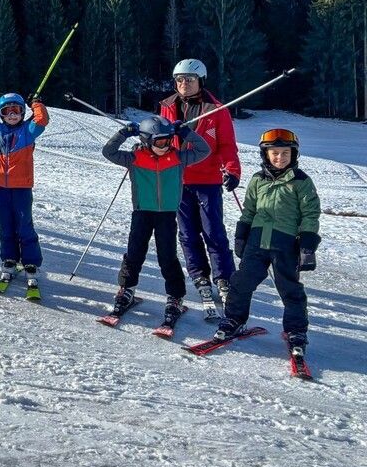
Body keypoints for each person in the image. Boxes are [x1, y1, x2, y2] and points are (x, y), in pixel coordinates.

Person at [216, 129, 321, 359]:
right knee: (241, 282)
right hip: (257, 241)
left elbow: (310, 214)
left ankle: (296, 331)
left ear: (293, 155)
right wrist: (241, 236)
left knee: (290, 289)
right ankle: (234, 319)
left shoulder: (301, 181)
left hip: (286, 244)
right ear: (266, 154)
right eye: (275, 153)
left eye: (285, 153)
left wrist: (307, 245)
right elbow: (249, 211)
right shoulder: (257, 179)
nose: (280, 157)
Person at [102, 116, 212, 324]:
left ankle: (175, 297)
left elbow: (203, 150)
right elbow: (109, 152)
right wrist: (123, 133)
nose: (165, 146)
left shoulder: (178, 158)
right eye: (159, 142)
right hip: (142, 213)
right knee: (134, 254)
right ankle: (127, 289)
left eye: (168, 140)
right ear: (146, 140)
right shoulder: (134, 158)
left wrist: (185, 133)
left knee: (167, 257)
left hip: (167, 215)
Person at [159, 58, 242, 311]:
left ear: (201, 81)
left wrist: (232, 170)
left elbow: (227, 145)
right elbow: (159, 139)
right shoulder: (167, 106)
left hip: (208, 180)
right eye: (179, 80)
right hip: (178, 179)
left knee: (213, 231)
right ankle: (199, 274)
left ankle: (224, 278)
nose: (184, 84)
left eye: (190, 79)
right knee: (187, 233)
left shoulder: (216, 110)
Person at [0, 92, 50, 294]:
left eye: (16, 110)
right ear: (1, 114)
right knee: (5, 225)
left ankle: (31, 262)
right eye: (7, 111)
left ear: (23, 113)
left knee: (24, 225)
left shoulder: (28, 131)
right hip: (0, 187)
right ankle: (9, 259)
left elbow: (42, 120)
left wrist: (36, 103)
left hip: (21, 187)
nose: (12, 115)